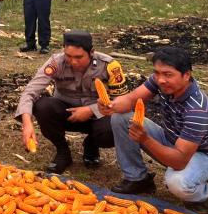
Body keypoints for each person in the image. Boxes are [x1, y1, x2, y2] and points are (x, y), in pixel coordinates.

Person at [100, 47, 208, 214]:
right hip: (171, 138)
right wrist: (110, 106)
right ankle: (137, 179)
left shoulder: (198, 110)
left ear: (187, 75)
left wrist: (145, 139)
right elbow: (131, 99)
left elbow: (179, 161)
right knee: (121, 117)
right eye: (157, 73)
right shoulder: (161, 82)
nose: (161, 80)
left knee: (178, 182)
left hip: (201, 154)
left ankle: (199, 199)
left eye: (168, 74)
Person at [16, 30, 126, 174]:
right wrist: (27, 122)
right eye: (68, 56)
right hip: (67, 114)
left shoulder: (109, 66)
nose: (73, 62)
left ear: (91, 52)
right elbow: (30, 91)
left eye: (79, 57)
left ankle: (92, 143)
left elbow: (122, 101)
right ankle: (63, 151)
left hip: (99, 116)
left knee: (116, 124)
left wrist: (91, 110)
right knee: (43, 106)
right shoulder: (56, 63)